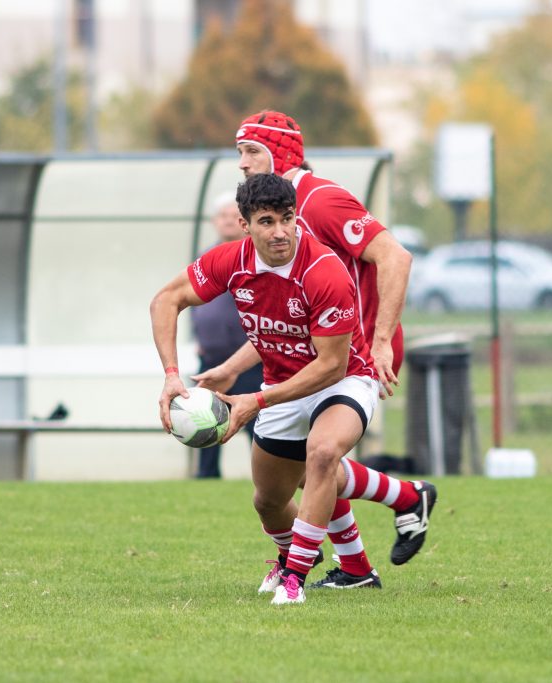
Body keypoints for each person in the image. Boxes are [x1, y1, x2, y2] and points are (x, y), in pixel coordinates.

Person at [151, 174, 430, 605]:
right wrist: (173, 374)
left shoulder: (323, 271)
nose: (280, 231)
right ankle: (353, 528)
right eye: (266, 221)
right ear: (245, 225)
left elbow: (331, 365)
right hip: (281, 384)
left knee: (321, 455)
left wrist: (256, 401)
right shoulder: (230, 260)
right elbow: (166, 300)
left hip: (344, 380)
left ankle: (295, 578)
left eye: (287, 219)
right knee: (268, 500)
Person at [198, 110, 435, 588]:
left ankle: (311, 569)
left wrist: (384, 340)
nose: (241, 164)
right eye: (239, 153)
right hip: (311, 355)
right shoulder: (276, 216)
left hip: (358, 353)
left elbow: (396, 256)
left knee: (318, 457)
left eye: (250, 152)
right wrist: (229, 366)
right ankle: (375, 541)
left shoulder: (320, 200)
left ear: (280, 151)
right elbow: (280, 324)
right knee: (309, 465)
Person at [187, 192, 264, 478]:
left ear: (244, 221)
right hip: (212, 358)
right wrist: (198, 336)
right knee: (205, 419)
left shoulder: (256, 256)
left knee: (257, 424)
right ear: (214, 221)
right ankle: (207, 477)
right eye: (223, 216)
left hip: (249, 359)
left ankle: (266, 476)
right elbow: (193, 303)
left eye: (235, 216)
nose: (229, 222)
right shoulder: (205, 257)